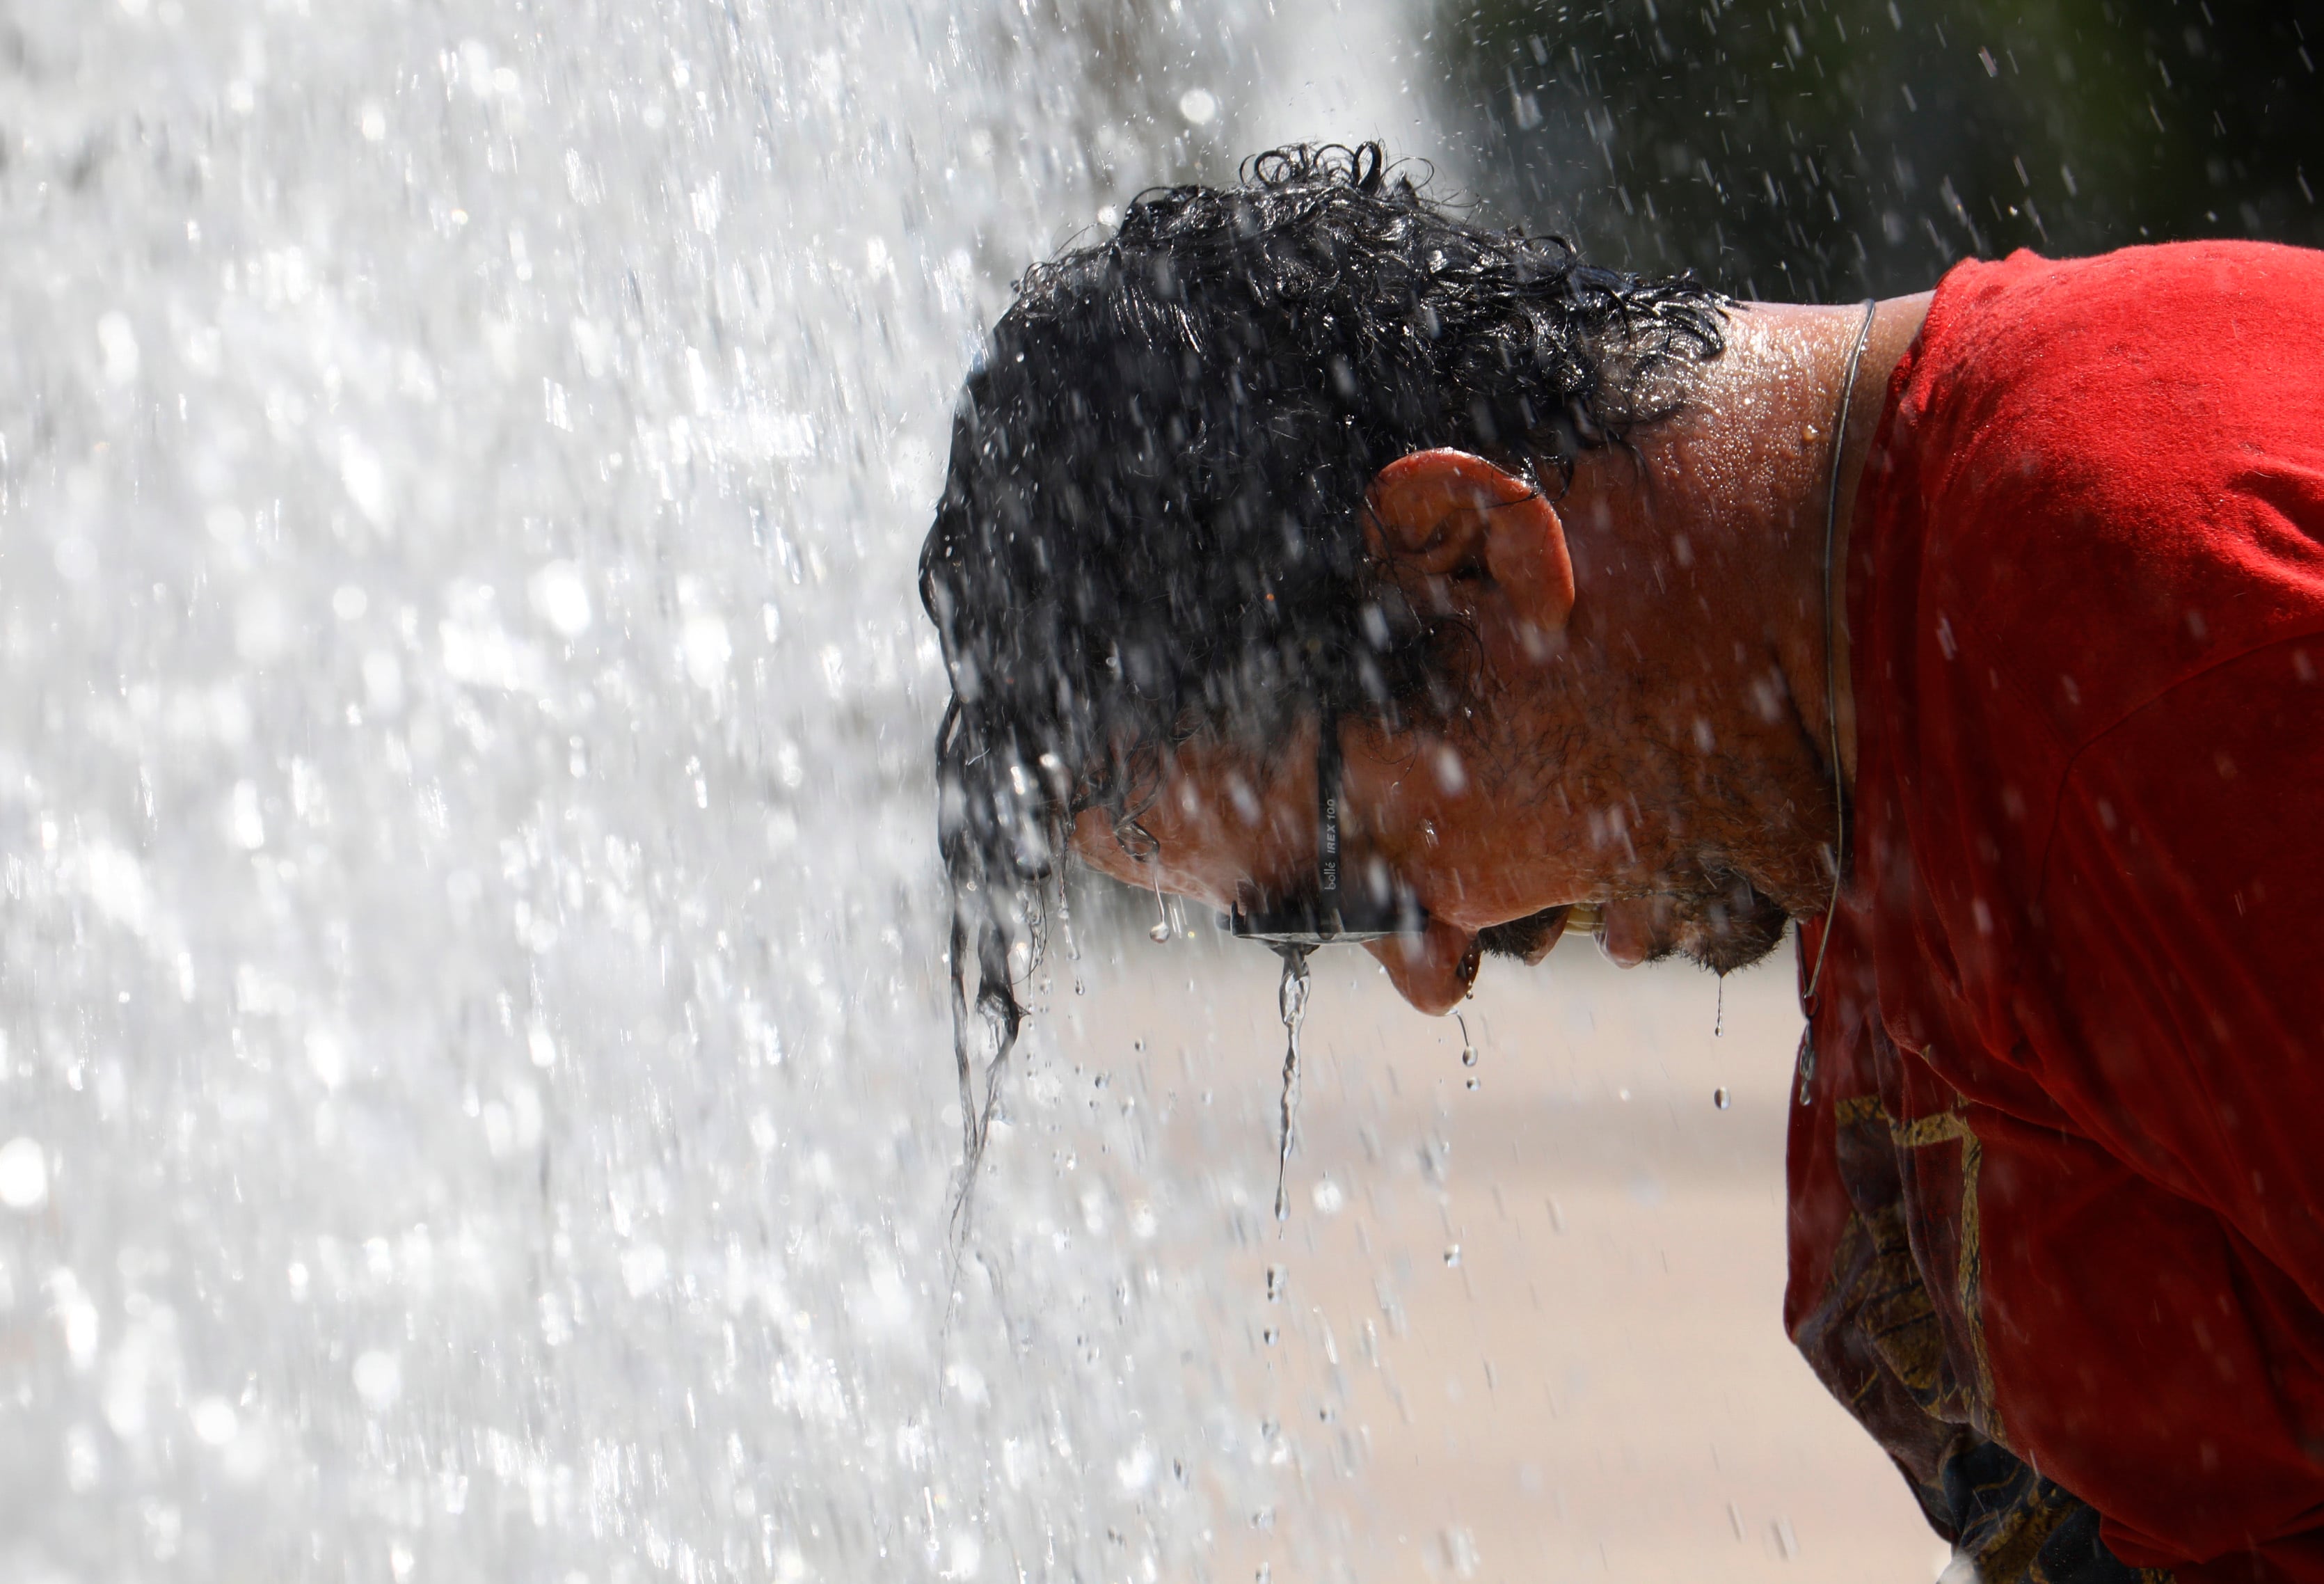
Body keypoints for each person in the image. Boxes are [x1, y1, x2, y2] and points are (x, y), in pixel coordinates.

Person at [917, 143, 2324, 1583]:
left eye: (1347, 878)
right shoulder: (1902, 736)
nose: (1427, 971)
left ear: (1470, 559)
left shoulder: (2137, 646)